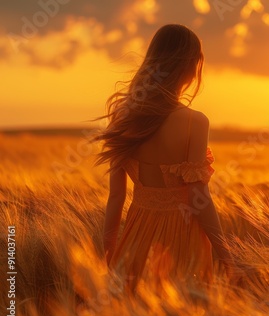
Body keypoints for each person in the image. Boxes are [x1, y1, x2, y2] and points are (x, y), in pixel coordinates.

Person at [92, 24, 238, 292]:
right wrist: (226, 254)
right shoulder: (195, 122)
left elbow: (116, 196)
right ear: (192, 67)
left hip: (136, 236)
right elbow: (199, 196)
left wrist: (109, 247)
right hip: (183, 236)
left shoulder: (124, 118)